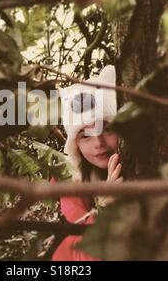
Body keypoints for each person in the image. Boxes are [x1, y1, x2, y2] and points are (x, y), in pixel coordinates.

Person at [51, 65, 122, 261]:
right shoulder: (69, 182)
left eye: (106, 129)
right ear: (76, 146)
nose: (98, 143)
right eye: (85, 135)